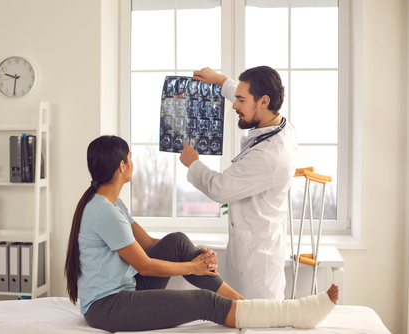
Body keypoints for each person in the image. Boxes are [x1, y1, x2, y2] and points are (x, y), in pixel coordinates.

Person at [64, 135, 337, 333]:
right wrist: (191, 266)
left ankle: (245, 302)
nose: (133, 162)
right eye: (131, 158)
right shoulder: (105, 213)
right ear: (121, 166)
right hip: (109, 308)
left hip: (128, 288)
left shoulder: (112, 204)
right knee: (203, 302)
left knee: (178, 241)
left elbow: (148, 245)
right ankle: (282, 313)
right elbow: (144, 265)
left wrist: (195, 253)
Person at [179, 66, 298, 300]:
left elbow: (220, 188)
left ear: (264, 101)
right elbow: (242, 92)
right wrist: (220, 80)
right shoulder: (280, 125)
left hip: (256, 268)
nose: (234, 105)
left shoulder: (270, 155)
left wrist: (193, 164)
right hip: (250, 242)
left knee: (252, 320)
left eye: (240, 100)